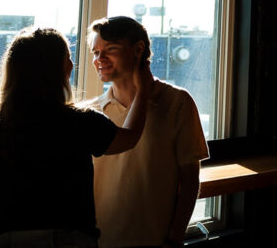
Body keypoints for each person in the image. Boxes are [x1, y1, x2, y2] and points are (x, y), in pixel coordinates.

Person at [0, 27, 151, 248]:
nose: (72, 65)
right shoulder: (80, 121)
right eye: (68, 58)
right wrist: (144, 91)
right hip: (63, 240)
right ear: (58, 70)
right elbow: (129, 137)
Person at [88, 16, 209, 248]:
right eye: (95, 52)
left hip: (155, 238)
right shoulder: (92, 111)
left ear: (138, 50)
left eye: (110, 49)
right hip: (99, 241)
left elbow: (190, 179)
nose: (99, 59)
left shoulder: (177, 102)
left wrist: (175, 237)